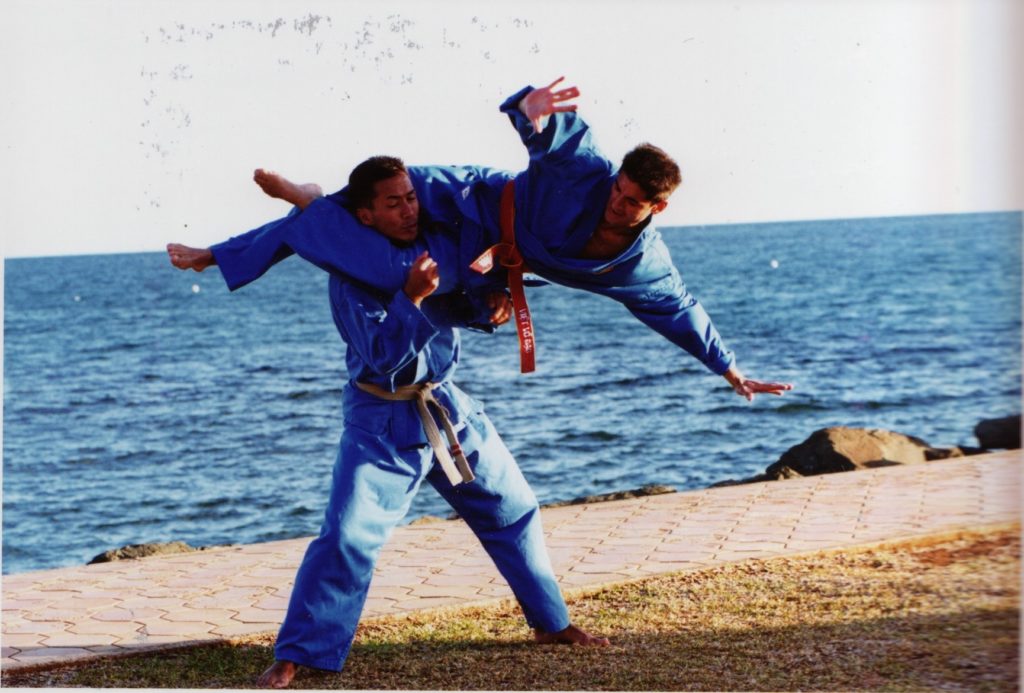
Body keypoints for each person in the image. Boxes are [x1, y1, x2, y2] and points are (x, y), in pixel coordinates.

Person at [207, 157, 608, 689]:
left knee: (513, 508)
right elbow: (382, 357)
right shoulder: (351, 276)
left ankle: (551, 624)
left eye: (411, 197)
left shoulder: (430, 247)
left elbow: (455, 306)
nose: (408, 210)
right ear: (366, 216)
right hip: (382, 419)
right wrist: (412, 298)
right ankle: (297, 654)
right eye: (392, 203)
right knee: (347, 537)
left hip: (447, 407)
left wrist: (485, 307)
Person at [168, 77, 791, 400]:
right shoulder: (586, 170)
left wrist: (730, 370)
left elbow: (681, 315)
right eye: (618, 191)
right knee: (367, 212)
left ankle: (311, 203)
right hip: (472, 199)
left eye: (633, 203)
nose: (617, 203)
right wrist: (533, 104)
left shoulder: (643, 266)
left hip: (482, 260)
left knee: (393, 271)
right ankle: (264, 224)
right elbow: (537, 124)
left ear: (658, 208)